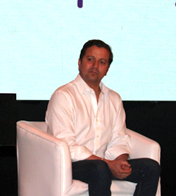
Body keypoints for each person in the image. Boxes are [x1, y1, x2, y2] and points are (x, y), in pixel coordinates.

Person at [45, 39, 160, 196]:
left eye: (102, 62)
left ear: (107, 69)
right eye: (90, 59)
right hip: (71, 165)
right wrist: (107, 164)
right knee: (100, 168)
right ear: (79, 63)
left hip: (103, 165)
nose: (95, 66)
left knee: (150, 167)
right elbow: (66, 145)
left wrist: (120, 163)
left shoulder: (114, 98)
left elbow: (119, 139)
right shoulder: (63, 96)